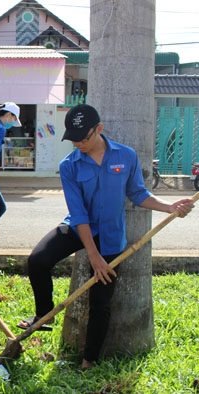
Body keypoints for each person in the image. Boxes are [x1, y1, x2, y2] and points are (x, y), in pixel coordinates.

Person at [17, 104, 195, 370]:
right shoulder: (69, 166)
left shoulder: (126, 156)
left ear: (98, 129)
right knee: (38, 260)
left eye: (83, 138)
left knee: (100, 302)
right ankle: (45, 314)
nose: (78, 143)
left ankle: (89, 360)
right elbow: (78, 213)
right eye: (73, 138)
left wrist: (169, 207)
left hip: (111, 238)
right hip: (79, 228)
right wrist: (93, 256)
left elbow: (138, 194)